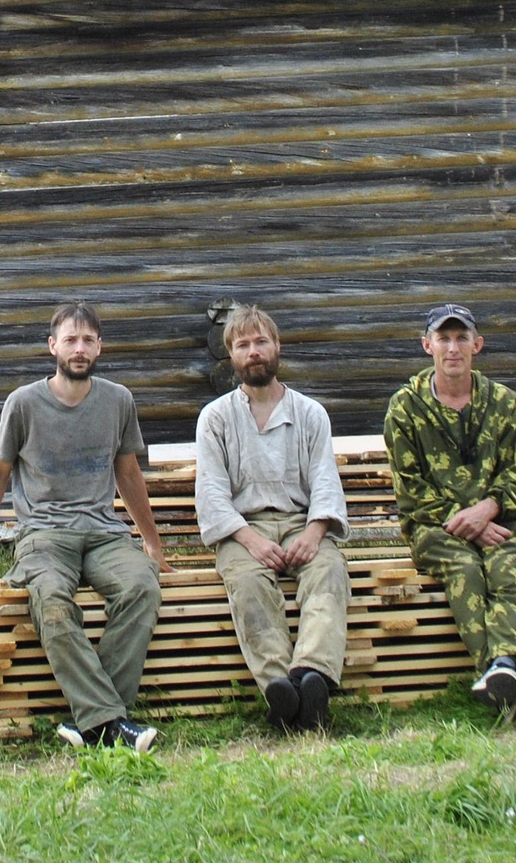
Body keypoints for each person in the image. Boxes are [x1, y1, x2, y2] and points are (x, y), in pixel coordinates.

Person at [0, 302, 173, 750]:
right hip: (43, 537)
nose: (80, 348)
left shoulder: (118, 401)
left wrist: (152, 544)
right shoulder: (24, 403)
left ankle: (93, 722)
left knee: (142, 587)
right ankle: (112, 724)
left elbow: (128, 473)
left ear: (100, 347)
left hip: (104, 533)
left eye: (88, 339)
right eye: (70, 339)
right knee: (49, 598)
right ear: (52, 346)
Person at [382, 302, 516, 721]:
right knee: (467, 569)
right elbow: (412, 491)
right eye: (443, 338)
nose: (452, 348)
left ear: (478, 344)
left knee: (512, 565)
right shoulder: (405, 408)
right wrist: (468, 521)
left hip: (499, 521)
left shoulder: (504, 403)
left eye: (461, 338)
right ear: (427, 345)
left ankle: (504, 667)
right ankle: (509, 668)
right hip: (435, 527)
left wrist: (488, 510)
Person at [193, 303, 350, 730]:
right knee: (247, 586)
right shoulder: (216, 418)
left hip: (304, 524)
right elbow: (211, 493)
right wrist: (251, 540)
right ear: (232, 356)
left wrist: (315, 533)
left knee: (329, 576)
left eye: (261, 341)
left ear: (277, 347)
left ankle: (309, 674)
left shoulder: (309, 413)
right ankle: (280, 687)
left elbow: (324, 480)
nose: (254, 351)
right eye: (243, 345)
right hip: (245, 531)